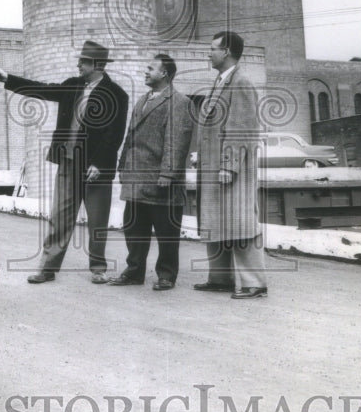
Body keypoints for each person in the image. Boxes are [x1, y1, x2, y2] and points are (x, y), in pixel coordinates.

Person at [0, 41, 129, 284]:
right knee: (59, 216)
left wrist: (99, 163)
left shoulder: (117, 94)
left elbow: (115, 134)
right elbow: (43, 89)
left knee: (98, 219)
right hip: (68, 162)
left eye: (83, 62)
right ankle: (48, 268)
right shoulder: (73, 86)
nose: (78, 65)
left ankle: (98, 268)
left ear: (96, 65)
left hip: (95, 168)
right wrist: (8, 79)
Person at [194, 31, 268, 299]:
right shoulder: (221, 81)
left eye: (213, 48)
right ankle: (221, 279)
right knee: (217, 222)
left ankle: (254, 283)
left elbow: (242, 129)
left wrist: (229, 165)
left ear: (226, 52)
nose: (208, 53)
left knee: (241, 224)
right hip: (215, 166)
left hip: (230, 169)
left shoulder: (241, 83)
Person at [111, 53, 193, 291]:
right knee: (134, 227)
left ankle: (166, 275)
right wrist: (123, 166)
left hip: (161, 181)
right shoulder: (142, 100)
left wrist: (167, 174)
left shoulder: (179, 102)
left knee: (166, 231)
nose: (146, 72)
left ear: (164, 73)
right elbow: (130, 137)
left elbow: (176, 142)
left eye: (150, 68)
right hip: (136, 179)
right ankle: (134, 271)